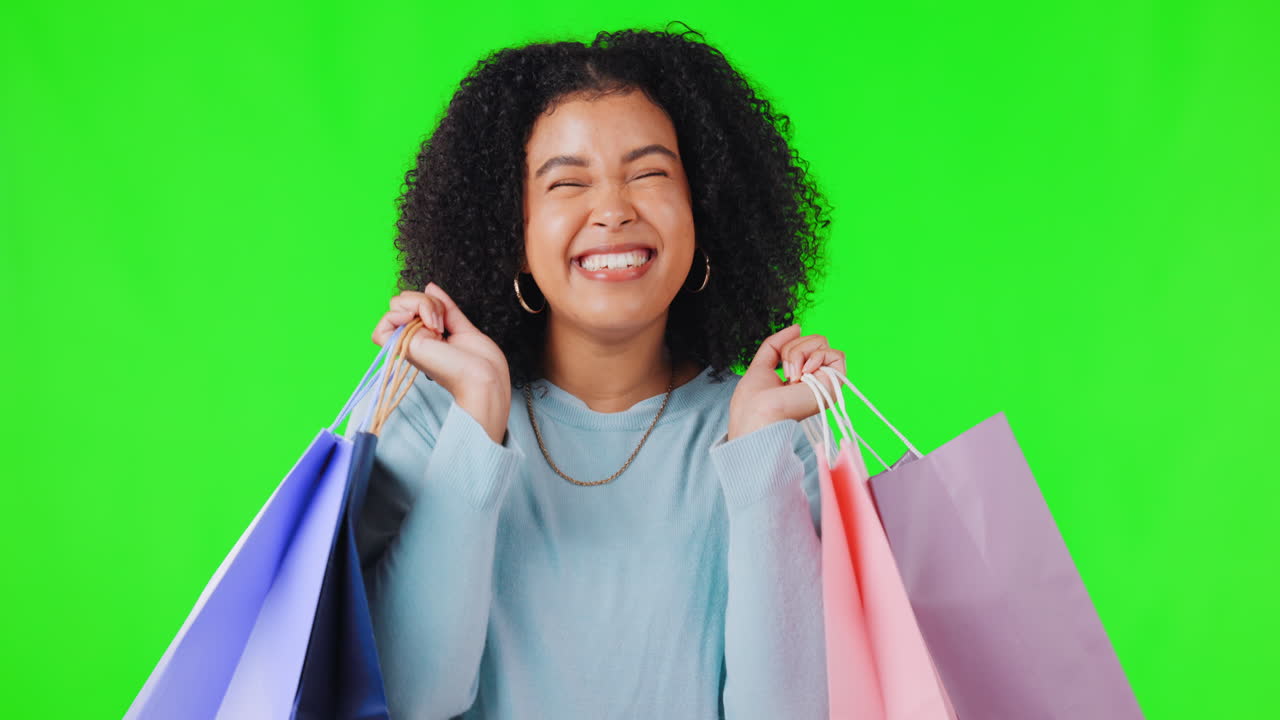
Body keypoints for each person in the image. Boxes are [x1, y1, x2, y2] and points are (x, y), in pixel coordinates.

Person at [354, 23, 844, 720]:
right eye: (567, 182)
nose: (613, 210)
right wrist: (479, 413)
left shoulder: (770, 432)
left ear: (702, 213)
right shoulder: (433, 420)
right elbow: (406, 700)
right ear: (511, 231)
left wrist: (761, 448)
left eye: (649, 173)